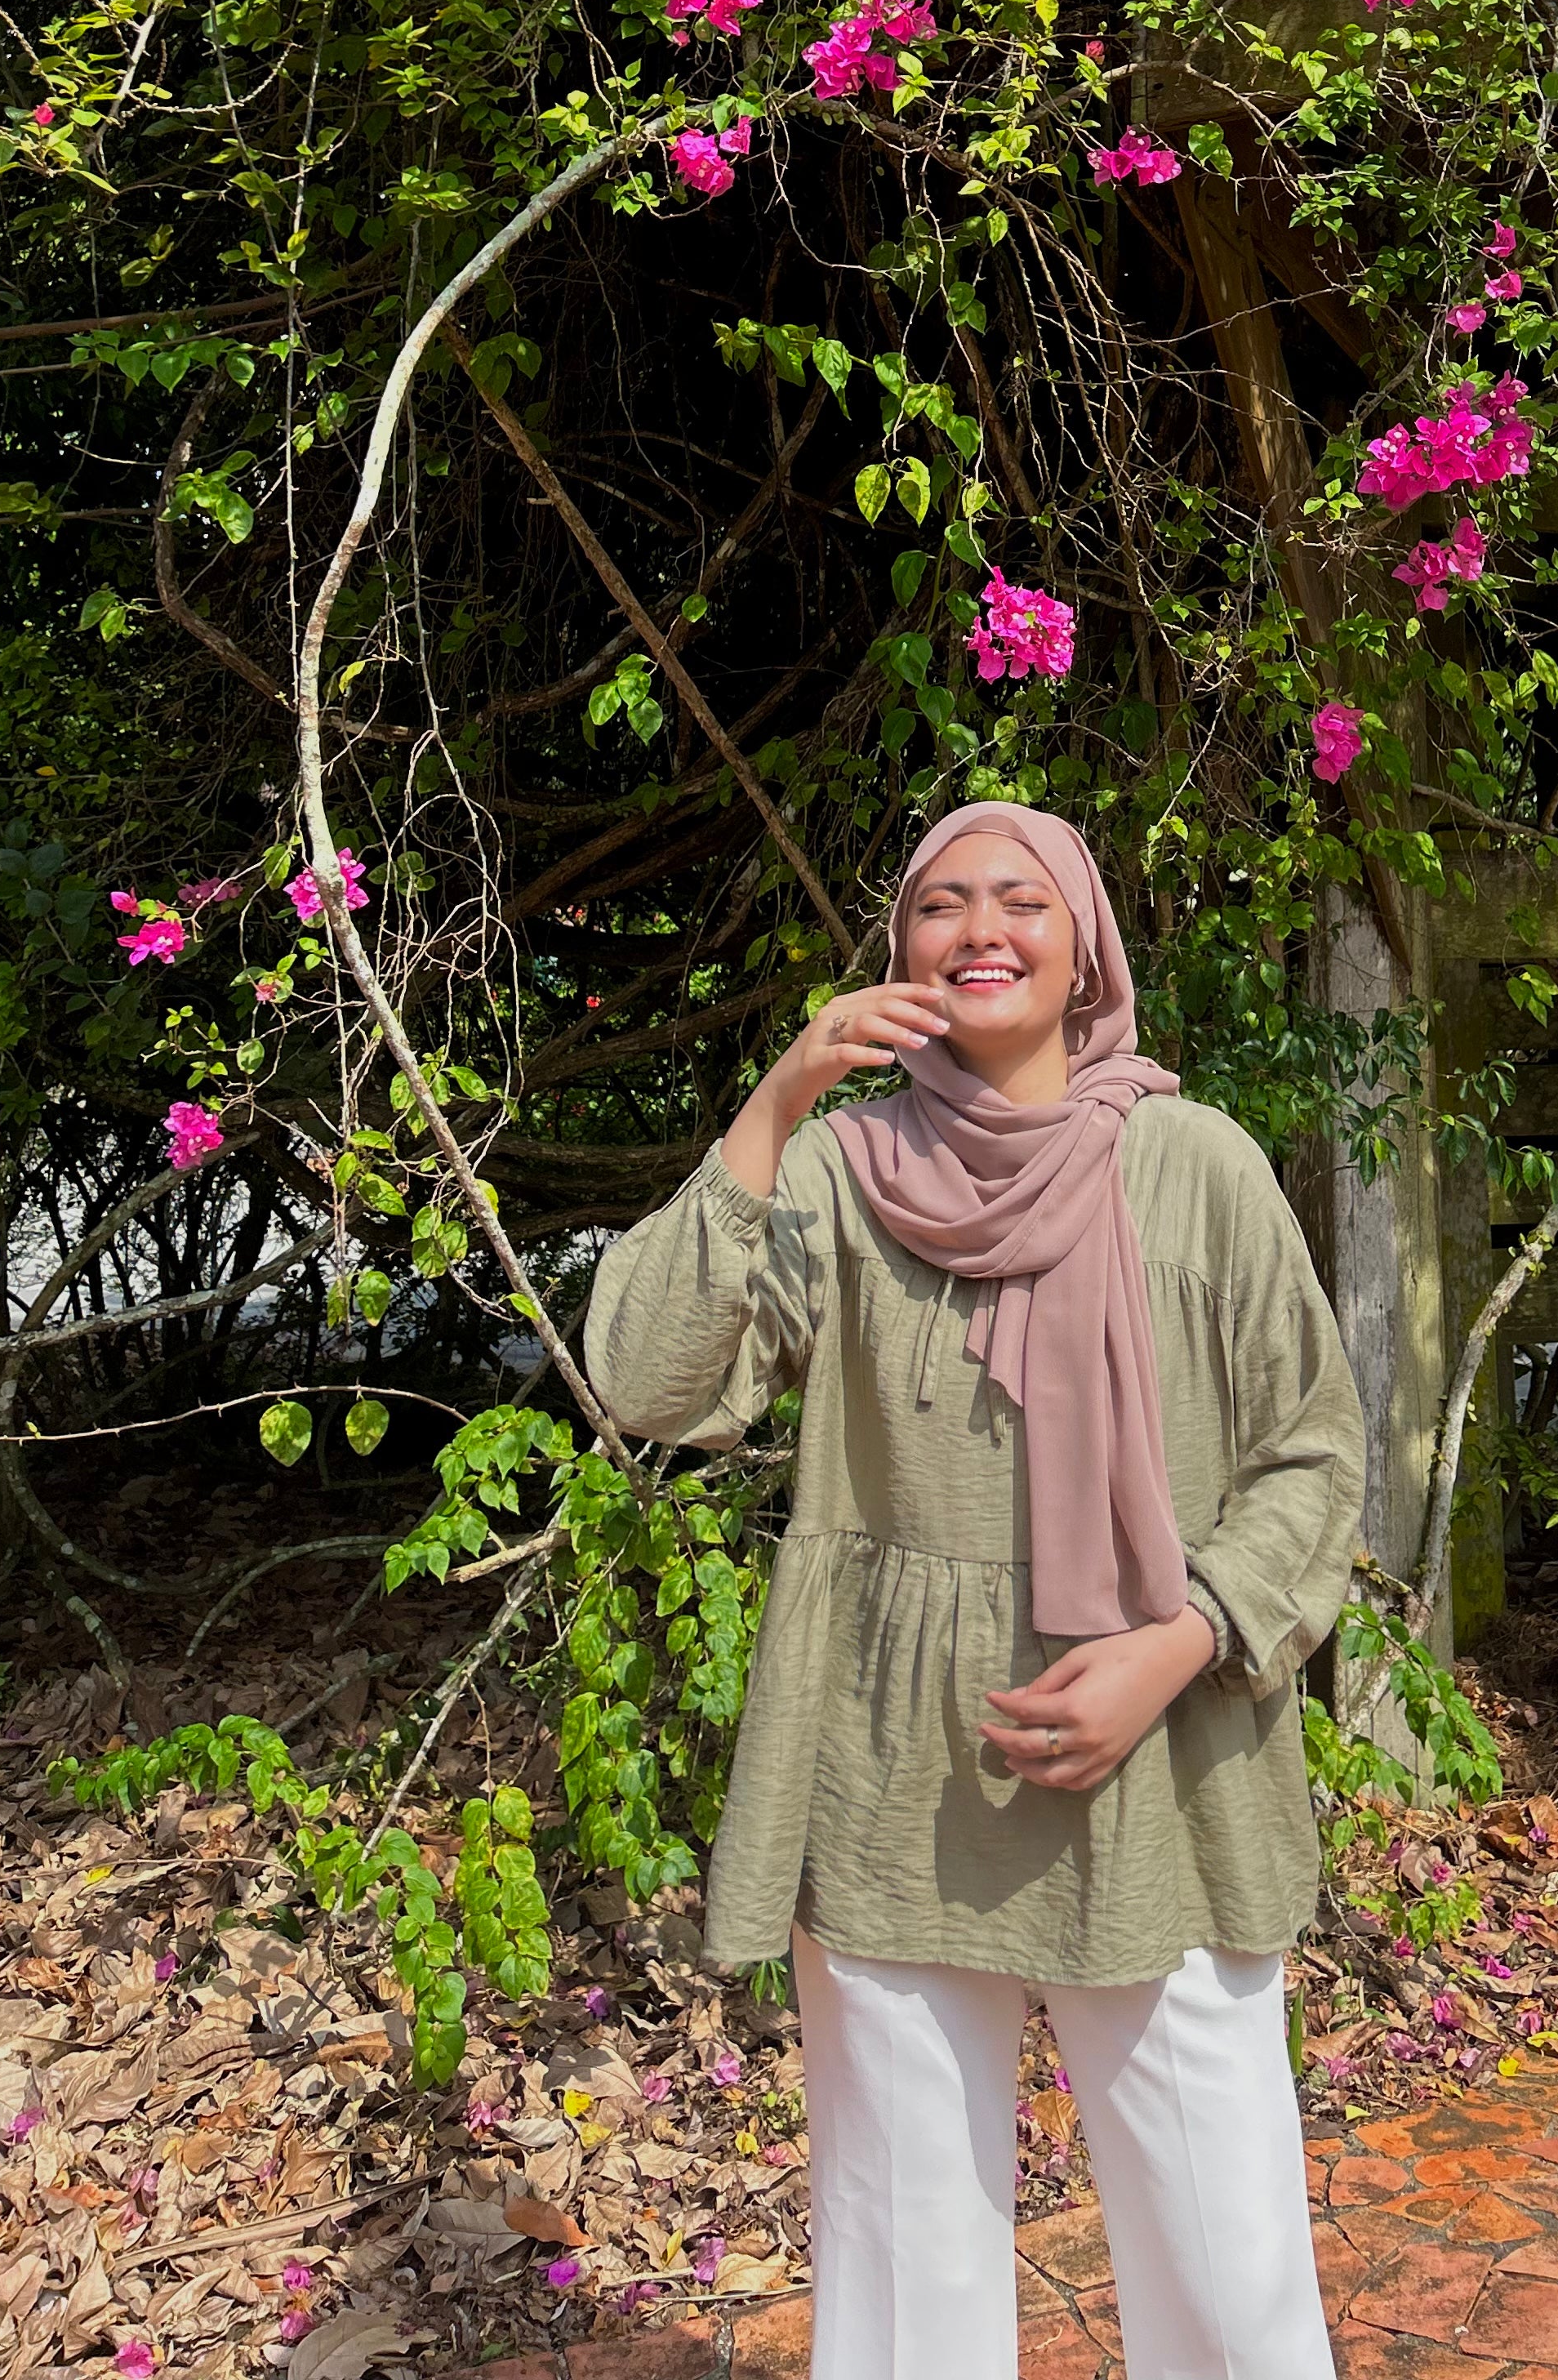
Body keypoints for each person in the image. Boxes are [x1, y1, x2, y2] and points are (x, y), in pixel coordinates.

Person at [586, 800, 1364, 2380]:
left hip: (1164, 1763)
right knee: (900, 2274)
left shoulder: (1195, 1167)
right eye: (942, 903)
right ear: (901, 956)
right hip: (891, 1766)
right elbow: (650, 1381)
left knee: (1230, 2278)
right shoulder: (838, 1171)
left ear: (1085, 951)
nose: (980, 926)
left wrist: (1182, 1642)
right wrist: (776, 1098)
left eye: (1023, 897)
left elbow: (1314, 1453)